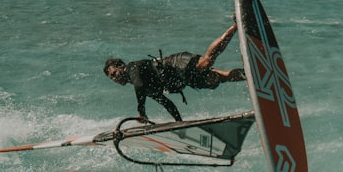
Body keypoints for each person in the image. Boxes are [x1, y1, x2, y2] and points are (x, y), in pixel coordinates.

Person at [104, 21, 246, 122]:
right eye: (112, 79)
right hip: (182, 78)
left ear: (121, 66)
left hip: (177, 65)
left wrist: (141, 112)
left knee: (206, 61)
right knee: (217, 78)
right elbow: (167, 103)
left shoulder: (132, 68)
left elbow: (139, 85)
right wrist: (179, 123)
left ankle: (236, 26)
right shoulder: (145, 88)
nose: (115, 79)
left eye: (114, 74)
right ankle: (249, 75)